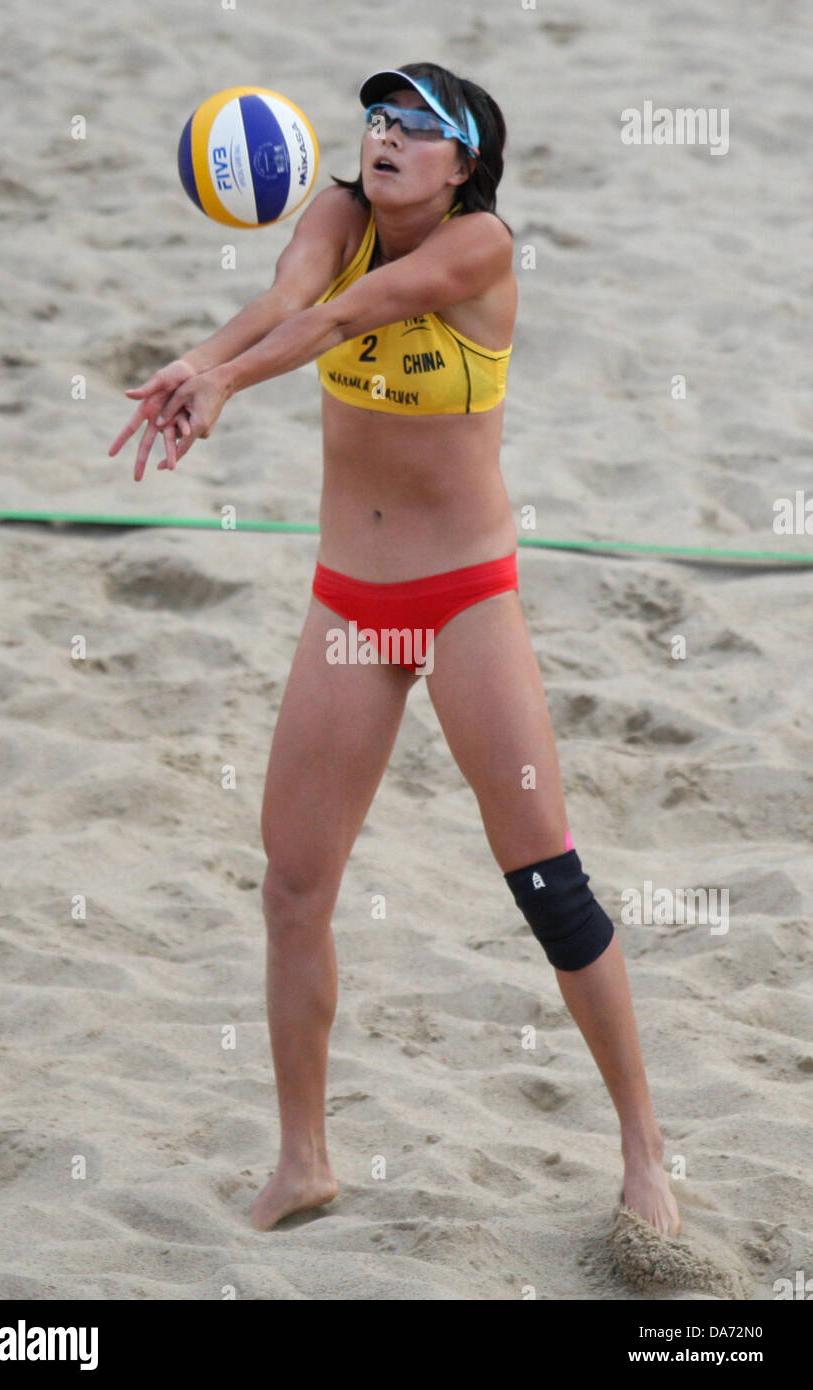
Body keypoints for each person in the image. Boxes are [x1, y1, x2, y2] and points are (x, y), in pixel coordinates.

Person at [110, 62, 681, 1238]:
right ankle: (303, 1160)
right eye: (379, 119)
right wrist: (199, 361)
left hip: (464, 598)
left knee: (544, 881)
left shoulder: (478, 248)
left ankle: (642, 1153)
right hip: (348, 606)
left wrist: (225, 383)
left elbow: (345, 319)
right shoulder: (335, 211)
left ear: (464, 166)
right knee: (291, 885)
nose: (387, 139)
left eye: (421, 130)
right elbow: (290, 296)